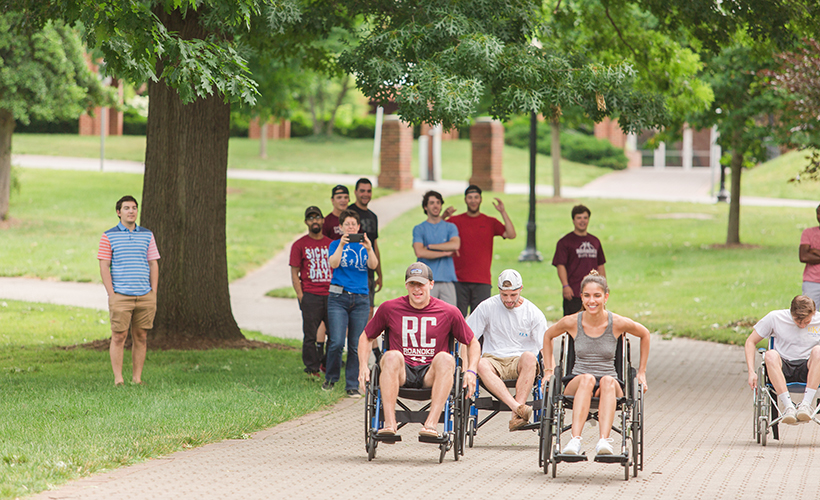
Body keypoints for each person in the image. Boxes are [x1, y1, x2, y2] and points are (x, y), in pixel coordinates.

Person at [357, 262, 481, 439]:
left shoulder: (449, 312)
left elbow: (472, 342)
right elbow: (366, 336)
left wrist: (471, 371)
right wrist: (363, 366)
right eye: (412, 284)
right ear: (406, 285)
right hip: (401, 372)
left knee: (446, 359)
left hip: (430, 373)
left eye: (421, 284)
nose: (417, 289)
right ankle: (390, 425)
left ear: (431, 284)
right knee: (391, 356)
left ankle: (430, 425)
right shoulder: (389, 308)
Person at [542, 271, 650, 458]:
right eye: (587, 295)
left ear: (606, 297)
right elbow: (548, 335)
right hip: (578, 382)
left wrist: (642, 372)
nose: (592, 301)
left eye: (597, 296)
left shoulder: (616, 322)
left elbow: (645, 334)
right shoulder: (572, 322)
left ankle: (603, 442)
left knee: (608, 380)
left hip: (608, 384)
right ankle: (575, 440)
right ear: (581, 297)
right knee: (587, 379)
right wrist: (548, 371)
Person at [466, 269, 546, 431]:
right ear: (499, 291)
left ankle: (516, 414)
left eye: (513, 295)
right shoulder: (487, 307)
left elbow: (544, 346)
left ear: (521, 289)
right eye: (504, 295)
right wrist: (468, 369)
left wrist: (549, 372)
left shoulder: (533, 312)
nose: (509, 299)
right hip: (493, 360)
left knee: (531, 357)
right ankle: (518, 408)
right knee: (480, 363)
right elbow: (467, 337)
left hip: (520, 361)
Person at [97, 195, 160, 386]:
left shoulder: (147, 235)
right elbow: (104, 265)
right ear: (119, 212)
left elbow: (153, 263)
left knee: (141, 336)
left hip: (145, 295)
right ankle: (118, 379)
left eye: (134, 208)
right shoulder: (108, 236)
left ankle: (137, 378)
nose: (131, 211)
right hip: (121, 296)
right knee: (119, 336)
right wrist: (111, 293)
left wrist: (153, 292)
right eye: (126, 208)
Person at [325, 209, 379, 396]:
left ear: (358, 226)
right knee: (337, 342)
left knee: (356, 344)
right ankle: (330, 379)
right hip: (338, 297)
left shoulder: (364, 246)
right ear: (341, 227)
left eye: (353, 224)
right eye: (346, 224)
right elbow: (333, 263)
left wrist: (369, 248)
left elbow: (373, 265)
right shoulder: (334, 244)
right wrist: (341, 245)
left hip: (361, 299)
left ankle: (352, 385)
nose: (350, 227)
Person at [744, 295, 820, 424]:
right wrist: (751, 372)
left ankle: (806, 405)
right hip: (782, 367)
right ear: (791, 313)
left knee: (818, 351)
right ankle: (788, 407)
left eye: (806, 322)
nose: (802, 325)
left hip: (809, 367)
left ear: (813, 313)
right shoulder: (775, 318)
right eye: (797, 321)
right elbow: (750, 342)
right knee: (770, 354)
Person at [444, 184, 516, 317]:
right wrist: (443, 217)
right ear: (465, 200)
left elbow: (511, 234)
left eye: (476, 197)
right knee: (456, 319)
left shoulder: (489, 222)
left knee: (480, 321)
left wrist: (502, 211)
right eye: (470, 197)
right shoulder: (455, 221)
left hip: (482, 281)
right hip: (458, 280)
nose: (473, 200)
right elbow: (436, 233)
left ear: (480, 199)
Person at [290, 206, 332, 378]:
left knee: (335, 336)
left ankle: (328, 366)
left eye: (317, 217)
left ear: (323, 220)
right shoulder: (299, 245)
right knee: (310, 335)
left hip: (330, 295)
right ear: (306, 222)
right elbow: (294, 272)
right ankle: (312, 369)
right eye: (311, 218)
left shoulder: (331, 244)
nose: (314, 221)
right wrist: (301, 296)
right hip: (311, 295)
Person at [552, 204, 606, 317]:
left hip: (593, 293)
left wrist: (603, 286)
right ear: (573, 220)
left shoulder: (595, 241)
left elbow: (600, 265)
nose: (582, 221)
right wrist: (565, 285)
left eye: (585, 218)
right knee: (573, 325)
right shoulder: (565, 242)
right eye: (579, 218)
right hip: (574, 292)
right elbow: (560, 265)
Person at [412, 190, 460, 306]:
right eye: (432, 203)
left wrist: (430, 247)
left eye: (438, 202)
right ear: (425, 207)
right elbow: (420, 252)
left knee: (449, 318)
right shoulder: (419, 229)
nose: (436, 205)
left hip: (447, 280)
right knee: (426, 316)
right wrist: (445, 253)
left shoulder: (450, 227)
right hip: (425, 281)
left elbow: (455, 245)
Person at [349, 178, 382, 318]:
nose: (365, 194)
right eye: (362, 191)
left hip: (368, 272)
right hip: (351, 271)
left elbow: (374, 245)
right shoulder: (349, 213)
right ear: (355, 192)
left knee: (369, 312)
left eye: (369, 191)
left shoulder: (373, 216)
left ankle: (366, 340)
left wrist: (379, 274)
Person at [799, 204, 820, 310]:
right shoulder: (808, 233)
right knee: (808, 315)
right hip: (812, 281)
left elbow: (808, 254)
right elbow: (803, 256)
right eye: (818, 213)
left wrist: (814, 251)